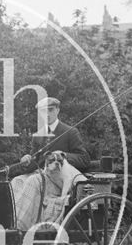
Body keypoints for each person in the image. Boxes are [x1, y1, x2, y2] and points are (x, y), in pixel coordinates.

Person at [10, 97, 90, 230]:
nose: (46, 114)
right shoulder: (38, 135)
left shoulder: (70, 132)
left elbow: (84, 159)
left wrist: (63, 156)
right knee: (16, 181)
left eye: (50, 110)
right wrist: (27, 160)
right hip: (42, 176)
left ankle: (20, 228)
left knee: (33, 181)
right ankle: (13, 221)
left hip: (59, 181)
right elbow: (35, 163)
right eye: (42, 111)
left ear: (57, 110)